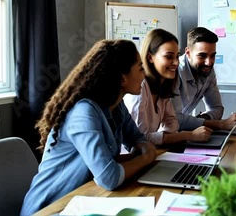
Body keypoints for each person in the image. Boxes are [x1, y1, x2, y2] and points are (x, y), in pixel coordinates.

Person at [21, 40, 157, 215]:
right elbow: (109, 178)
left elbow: (137, 138)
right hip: (51, 207)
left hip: (85, 200)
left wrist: (142, 148)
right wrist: (146, 158)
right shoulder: (84, 113)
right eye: (140, 68)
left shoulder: (115, 105)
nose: (144, 75)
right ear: (122, 78)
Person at [124, 29, 213, 145]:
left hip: (152, 152)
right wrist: (188, 135)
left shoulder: (164, 84)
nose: (176, 62)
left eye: (177, 56)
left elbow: (172, 121)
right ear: (150, 57)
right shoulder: (140, 88)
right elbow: (140, 138)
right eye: (169, 57)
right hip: (130, 157)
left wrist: (164, 137)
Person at [172, 27, 236, 131]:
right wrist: (221, 124)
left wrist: (203, 119)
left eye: (213, 56)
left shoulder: (208, 71)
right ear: (188, 53)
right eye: (202, 56)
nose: (209, 62)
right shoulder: (175, 71)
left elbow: (216, 108)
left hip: (182, 132)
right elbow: (175, 120)